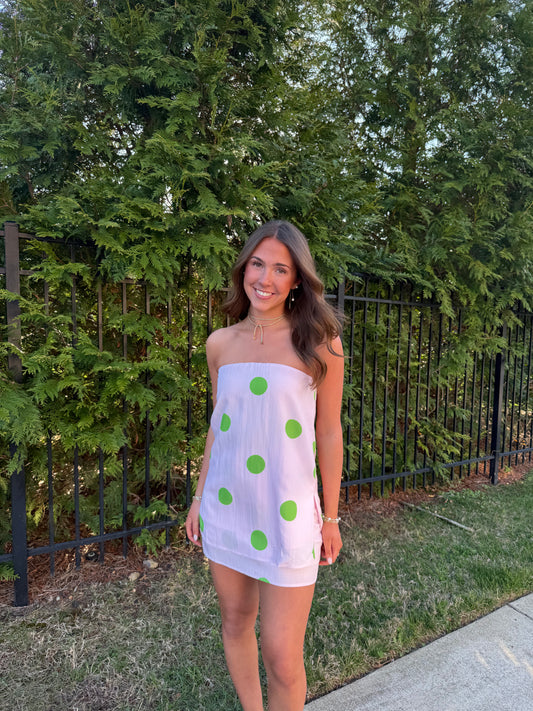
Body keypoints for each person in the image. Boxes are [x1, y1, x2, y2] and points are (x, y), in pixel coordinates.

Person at [185, 220, 344, 711]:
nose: (265, 278)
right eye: (258, 264)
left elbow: (329, 432)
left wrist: (332, 517)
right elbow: (220, 425)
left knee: (281, 655)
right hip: (227, 506)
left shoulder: (320, 342)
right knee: (235, 623)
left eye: (280, 269)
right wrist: (198, 497)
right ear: (243, 269)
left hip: (288, 515)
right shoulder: (220, 343)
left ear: (296, 280)